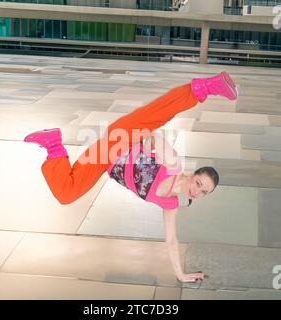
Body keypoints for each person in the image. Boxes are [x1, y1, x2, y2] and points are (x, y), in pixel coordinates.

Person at [24, 71, 237, 283]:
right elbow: (154, 133)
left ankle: (53, 143)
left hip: (105, 160)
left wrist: (181, 275)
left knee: (66, 193)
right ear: (192, 175)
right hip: (124, 138)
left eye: (203, 192)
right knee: (159, 113)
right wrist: (148, 144)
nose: (197, 191)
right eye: (199, 183)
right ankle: (207, 86)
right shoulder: (173, 164)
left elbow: (172, 241)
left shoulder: (170, 203)